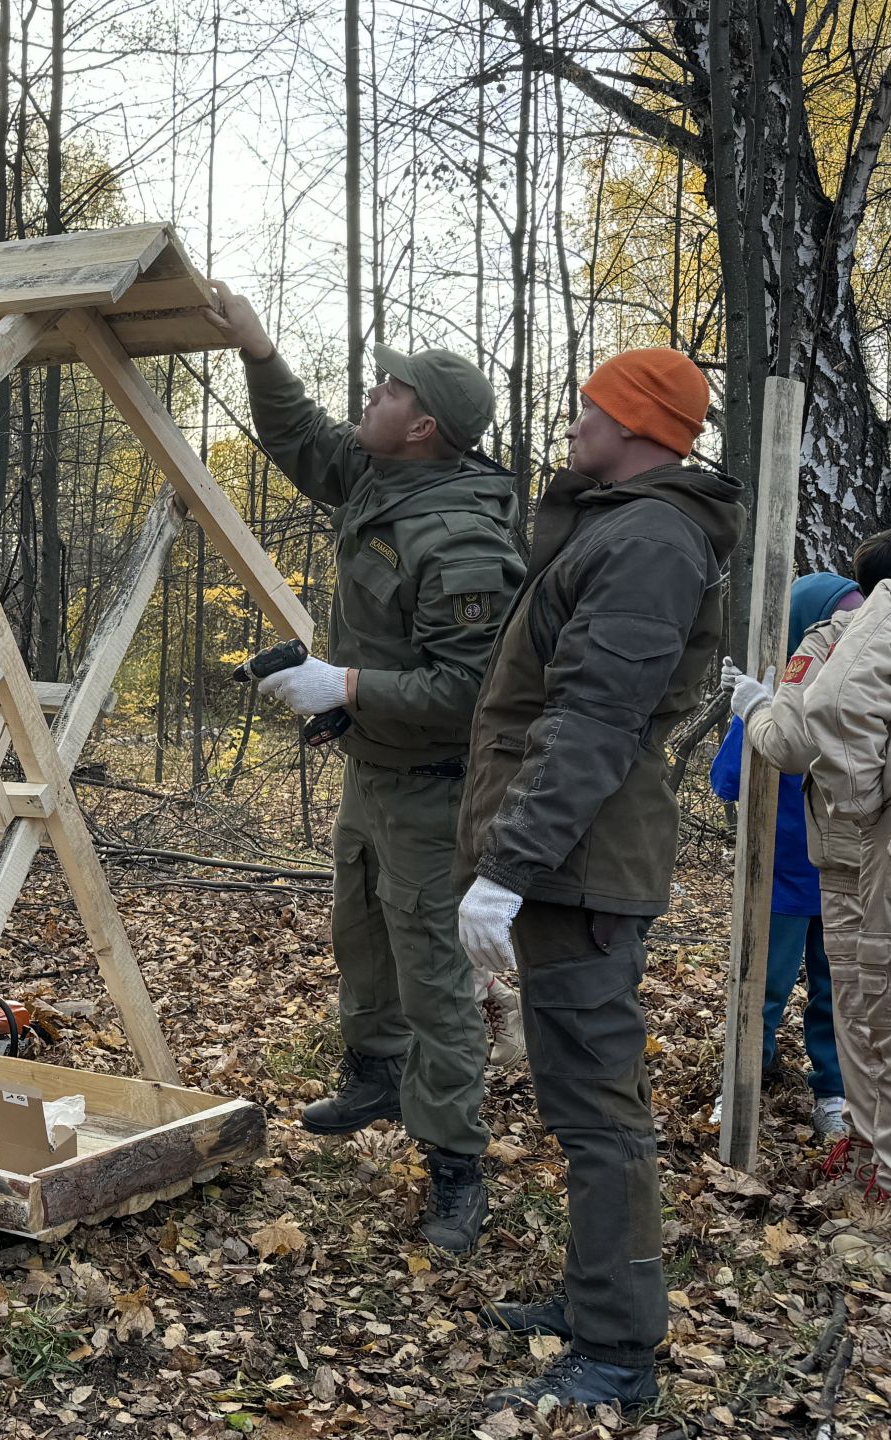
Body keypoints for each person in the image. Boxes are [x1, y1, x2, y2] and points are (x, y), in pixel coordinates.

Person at [206, 283, 524, 1255]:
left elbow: (469, 695)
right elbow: (301, 438)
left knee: (434, 977)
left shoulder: (459, 538)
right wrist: (259, 349)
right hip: (374, 771)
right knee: (361, 931)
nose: (370, 395)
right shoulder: (385, 481)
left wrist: (342, 682)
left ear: (422, 426)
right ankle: (374, 1076)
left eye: (386, 390)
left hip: (433, 791)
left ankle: (455, 1171)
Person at [457, 347, 743, 1412]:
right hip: (566, 859)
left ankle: (619, 1353)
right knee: (581, 1102)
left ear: (634, 423)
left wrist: (510, 870)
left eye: (591, 409)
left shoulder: (653, 540)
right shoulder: (617, 525)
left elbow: (590, 722)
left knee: (601, 1112)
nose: (574, 424)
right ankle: (593, 1303)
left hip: (581, 864)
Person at [726, 530, 891, 1199]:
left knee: (861, 1003)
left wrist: (759, 708)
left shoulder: (832, 638)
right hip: (826, 863)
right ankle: (856, 1131)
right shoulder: (846, 632)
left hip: (855, 854)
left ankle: (873, 1156)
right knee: (839, 994)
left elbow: (797, 736)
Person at [709, 574, 860, 1142]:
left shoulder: (859, 693)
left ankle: (833, 1092)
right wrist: (753, 712)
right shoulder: (778, 699)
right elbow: (728, 782)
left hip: (844, 872)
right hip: (779, 879)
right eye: (836, 624)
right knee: (762, 985)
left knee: (838, 991)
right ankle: (745, 1077)